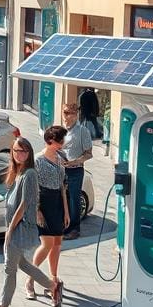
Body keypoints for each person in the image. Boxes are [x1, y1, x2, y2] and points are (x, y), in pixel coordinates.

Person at [0, 137, 62, 307]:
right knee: (22, 264)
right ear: (12, 152)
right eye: (17, 151)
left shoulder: (30, 174)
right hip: (16, 227)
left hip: (19, 229)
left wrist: (10, 231)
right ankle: (53, 286)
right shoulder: (18, 172)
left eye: (24, 151)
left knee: (9, 269)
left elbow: (24, 204)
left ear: (30, 153)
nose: (20, 154)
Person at [28, 126, 70, 303]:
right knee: (47, 243)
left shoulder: (61, 158)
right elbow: (33, 187)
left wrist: (66, 211)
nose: (64, 143)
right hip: (43, 202)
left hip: (57, 202)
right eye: (61, 140)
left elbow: (62, 186)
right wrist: (37, 210)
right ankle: (30, 280)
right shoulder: (38, 160)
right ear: (51, 141)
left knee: (57, 243)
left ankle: (53, 277)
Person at [61, 103, 92, 240]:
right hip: (62, 169)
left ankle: (74, 229)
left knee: (74, 200)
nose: (66, 116)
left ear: (75, 115)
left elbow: (88, 154)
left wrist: (75, 162)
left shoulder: (82, 131)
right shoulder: (62, 130)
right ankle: (64, 225)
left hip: (75, 170)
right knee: (62, 198)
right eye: (64, 112)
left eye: (69, 113)